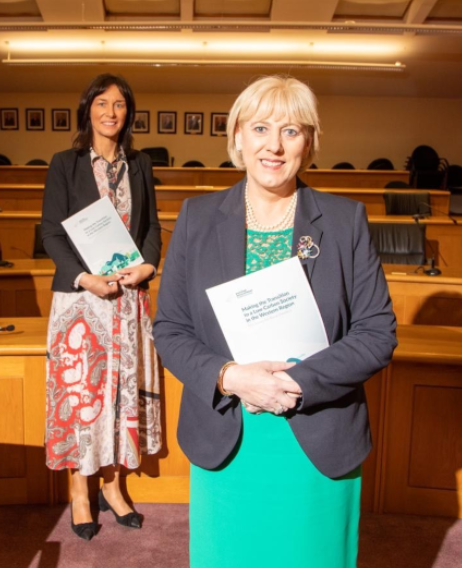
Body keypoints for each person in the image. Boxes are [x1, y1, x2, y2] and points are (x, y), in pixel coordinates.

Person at [153, 75, 397, 567]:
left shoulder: (345, 220)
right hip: (228, 432)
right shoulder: (196, 218)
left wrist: (296, 382)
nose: (274, 145)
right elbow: (170, 329)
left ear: (309, 142)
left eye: (291, 131)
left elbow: (376, 332)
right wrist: (230, 377)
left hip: (316, 432)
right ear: (238, 136)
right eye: (261, 128)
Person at [41, 73, 162, 541]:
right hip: (80, 299)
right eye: (102, 103)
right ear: (87, 109)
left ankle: (113, 486)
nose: (111, 112)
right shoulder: (64, 163)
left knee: (119, 396)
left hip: (128, 300)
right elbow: (51, 231)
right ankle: (79, 488)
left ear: (128, 113)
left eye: (120, 105)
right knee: (81, 398)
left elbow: (151, 225)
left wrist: (148, 265)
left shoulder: (140, 163)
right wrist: (86, 277)